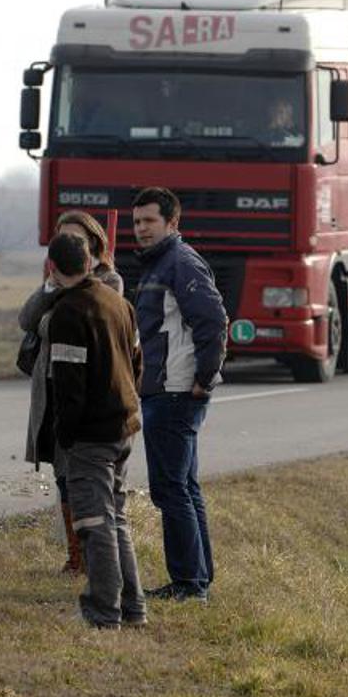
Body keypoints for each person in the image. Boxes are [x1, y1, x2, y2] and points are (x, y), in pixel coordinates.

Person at [131, 186, 227, 602]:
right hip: (162, 390)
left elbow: (214, 321)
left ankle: (188, 584)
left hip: (174, 392)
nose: (141, 229)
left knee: (170, 489)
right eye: (137, 222)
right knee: (184, 486)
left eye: (149, 221)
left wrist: (205, 379)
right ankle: (199, 578)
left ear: (172, 223)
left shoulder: (180, 263)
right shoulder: (158, 265)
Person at [45, 232, 145, 629]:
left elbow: (69, 383)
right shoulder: (118, 302)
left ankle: (104, 611)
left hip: (91, 435)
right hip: (124, 426)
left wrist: (65, 435)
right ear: (89, 262)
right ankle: (133, 607)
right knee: (115, 517)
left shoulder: (68, 313)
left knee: (93, 522)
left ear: (52, 268)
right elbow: (137, 361)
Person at [20, 211, 124, 574]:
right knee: (62, 474)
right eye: (63, 238)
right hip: (51, 389)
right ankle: (76, 552)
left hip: (87, 396)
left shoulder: (107, 280)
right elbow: (27, 319)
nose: (69, 243)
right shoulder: (52, 282)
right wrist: (51, 288)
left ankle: (85, 558)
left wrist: (66, 291)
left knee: (84, 479)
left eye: (76, 237)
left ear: (93, 243)